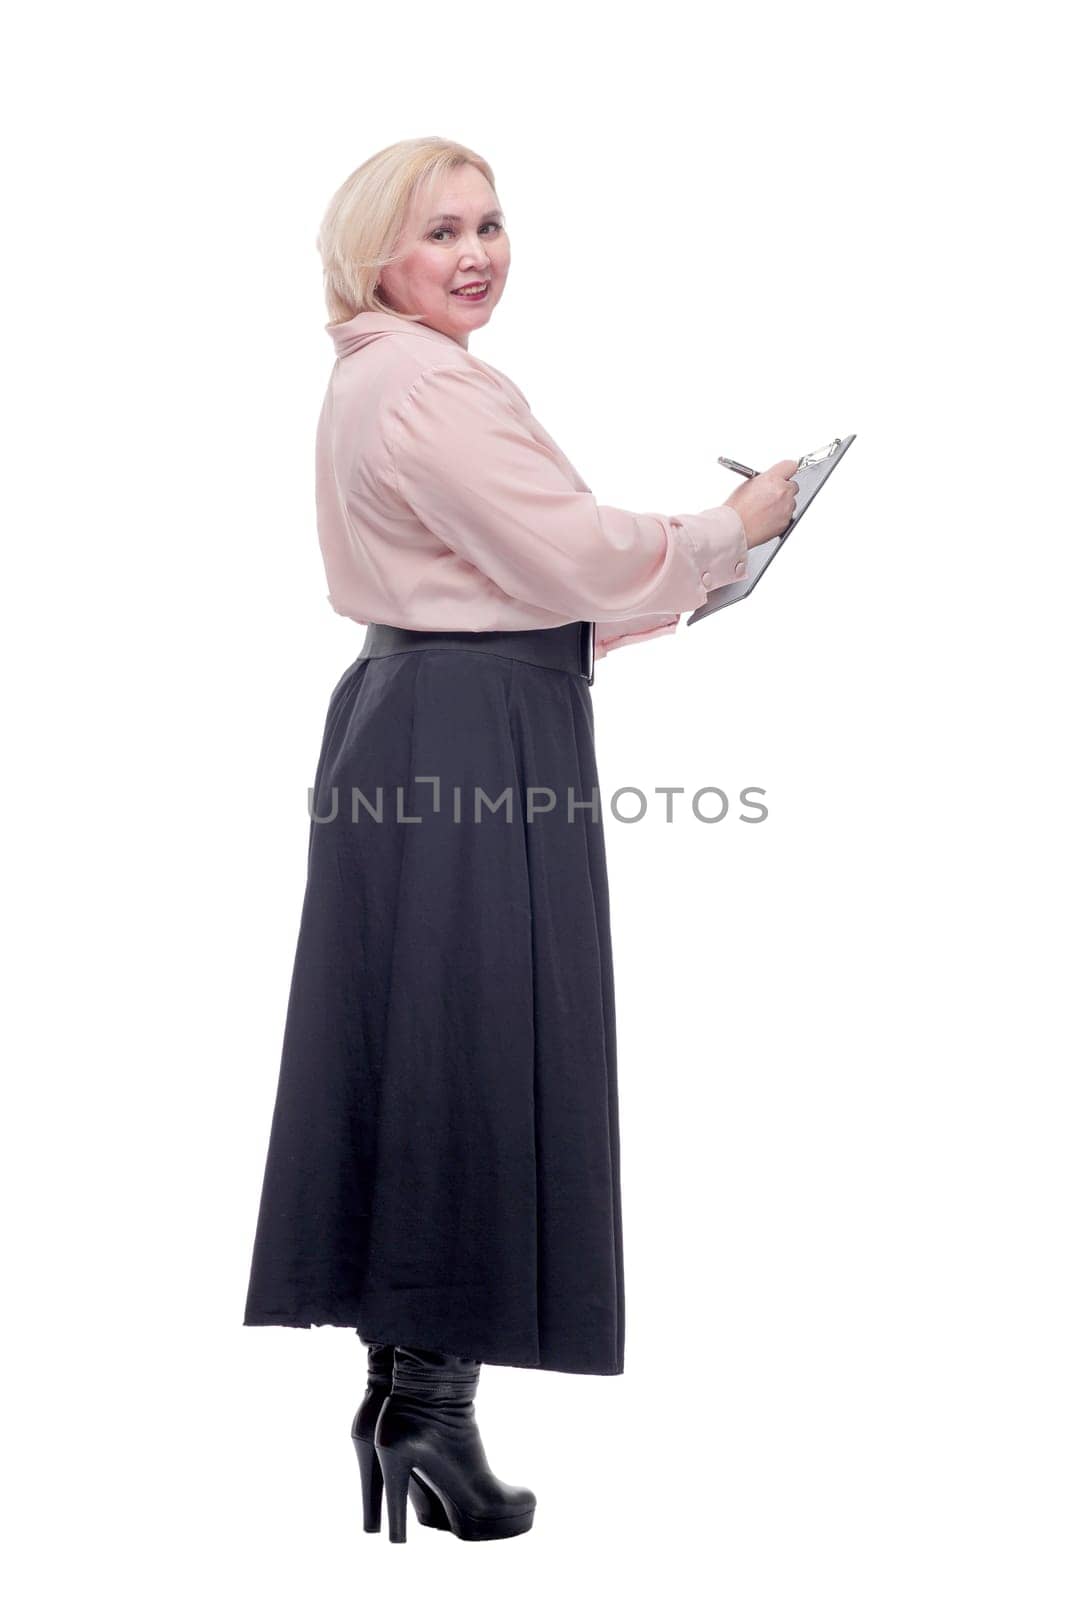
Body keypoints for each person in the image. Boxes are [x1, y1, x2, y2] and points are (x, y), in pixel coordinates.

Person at [242, 136, 798, 1544]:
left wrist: (651, 596)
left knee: (424, 1042)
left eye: (492, 224)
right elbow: (569, 553)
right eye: (442, 231)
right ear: (379, 254)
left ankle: (409, 1400)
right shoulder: (430, 381)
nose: (477, 253)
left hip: (426, 705)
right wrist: (733, 527)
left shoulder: (376, 373)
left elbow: (508, 576)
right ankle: (428, 1413)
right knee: (481, 1052)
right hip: (471, 729)